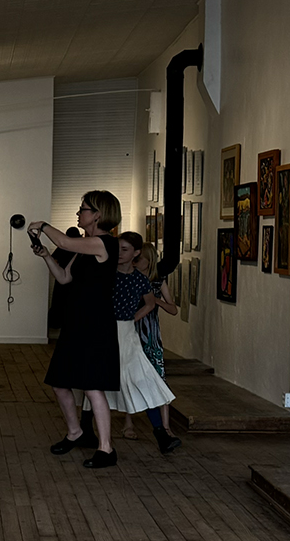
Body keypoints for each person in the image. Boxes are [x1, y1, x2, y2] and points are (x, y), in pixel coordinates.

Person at [29, 192, 121, 468]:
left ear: (98, 214)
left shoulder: (103, 244)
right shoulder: (84, 248)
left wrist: (43, 226)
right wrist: (46, 255)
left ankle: (106, 449)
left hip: (95, 325)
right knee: (59, 382)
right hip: (76, 323)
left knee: (93, 387)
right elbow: (64, 277)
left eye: (83, 209)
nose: (78, 214)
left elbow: (64, 241)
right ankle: (75, 432)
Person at [109, 232, 181, 454]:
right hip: (107, 331)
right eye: (118, 249)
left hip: (127, 332)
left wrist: (130, 318)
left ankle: (160, 432)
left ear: (136, 253)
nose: (120, 254)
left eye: (125, 250)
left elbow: (150, 303)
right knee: (99, 382)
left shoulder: (139, 279)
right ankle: (86, 429)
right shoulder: (108, 274)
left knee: (142, 378)